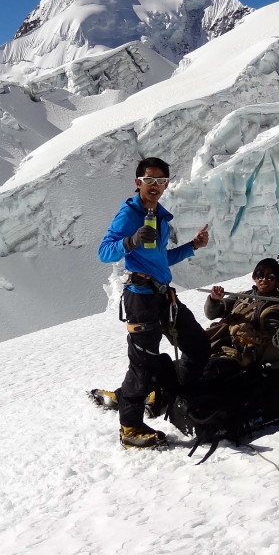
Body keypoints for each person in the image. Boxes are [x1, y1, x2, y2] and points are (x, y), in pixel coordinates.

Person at [98, 157, 211, 448]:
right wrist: (130, 241)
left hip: (163, 295)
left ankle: (175, 390)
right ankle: (130, 428)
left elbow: (161, 258)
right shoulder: (130, 214)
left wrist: (191, 247)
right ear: (138, 183)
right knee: (143, 364)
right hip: (140, 298)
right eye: (150, 181)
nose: (156, 186)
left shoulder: (158, 215)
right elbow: (104, 252)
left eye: (161, 181)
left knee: (198, 344)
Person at [203, 258, 279, 366]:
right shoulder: (242, 297)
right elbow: (212, 314)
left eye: (270, 277)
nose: (264, 280)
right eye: (260, 276)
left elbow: (275, 343)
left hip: (238, 354)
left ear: (277, 280)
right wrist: (214, 300)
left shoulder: (274, 308)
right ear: (254, 278)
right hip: (219, 343)